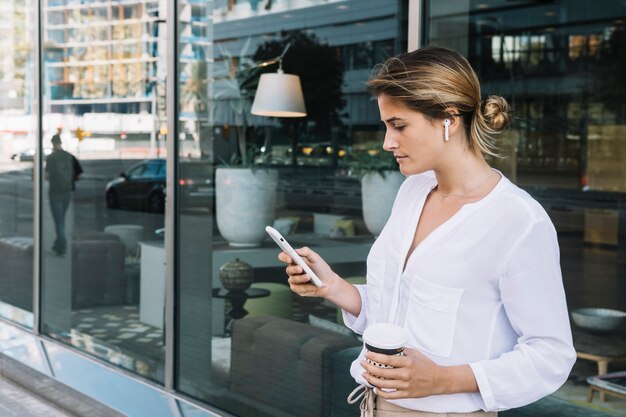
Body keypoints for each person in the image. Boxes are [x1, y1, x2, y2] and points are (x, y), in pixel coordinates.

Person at [278, 46, 575, 416]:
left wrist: (443, 380)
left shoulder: (518, 221)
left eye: (398, 126)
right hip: (375, 405)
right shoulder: (413, 191)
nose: (388, 142)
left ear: (448, 119)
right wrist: (334, 287)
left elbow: (551, 355)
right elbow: (400, 309)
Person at [46, 130, 83, 256]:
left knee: (59, 221)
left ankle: (62, 246)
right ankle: (58, 244)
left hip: (55, 192)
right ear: (61, 143)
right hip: (67, 192)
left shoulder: (51, 158)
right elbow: (78, 175)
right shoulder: (69, 156)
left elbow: (46, 176)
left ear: (52, 143)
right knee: (61, 219)